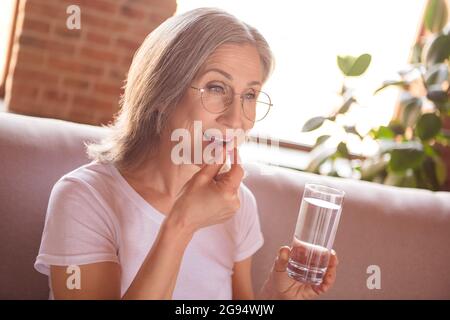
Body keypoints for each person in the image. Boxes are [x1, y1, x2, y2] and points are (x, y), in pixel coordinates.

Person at [34, 7, 338, 300]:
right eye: (217, 87)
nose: (237, 119)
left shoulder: (238, 204)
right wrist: (182, 224)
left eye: (249, 95)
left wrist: (276, 295)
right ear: (162, 95)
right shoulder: (84, 197)